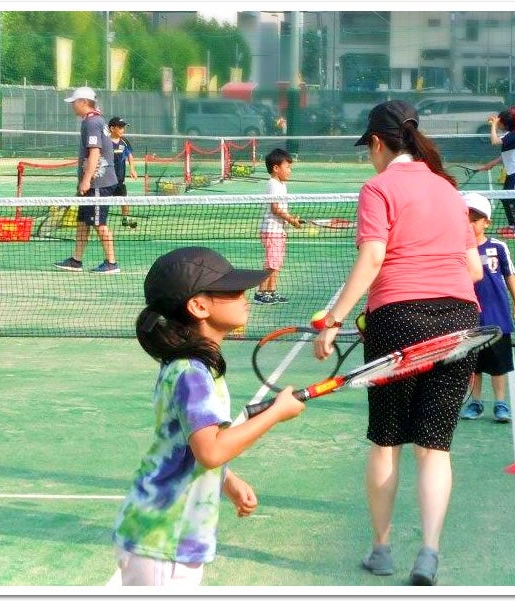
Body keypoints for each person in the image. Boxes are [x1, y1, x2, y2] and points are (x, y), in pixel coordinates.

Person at [313, 100, 484, 586]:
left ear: (376, 143)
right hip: (459, 319)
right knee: (434, 447)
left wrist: (333, 319)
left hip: (398, 319)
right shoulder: (449, 190)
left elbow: (373, 257)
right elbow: (473, 269)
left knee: (387, 441)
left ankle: (382, 550)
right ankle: (429, 553)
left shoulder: (378, 188)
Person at [109, 246, 305, 587]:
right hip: (163, 541)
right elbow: (210, 450)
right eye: (232, 290)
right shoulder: (192, 372)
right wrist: (275, 413)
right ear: (198, 306)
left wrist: (228, 479)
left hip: (168, 539)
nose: (244, 296)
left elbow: (188, 443)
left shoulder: (195, 367)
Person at [459, 194, 515, 423]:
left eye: (475, 220)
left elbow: (509, 274)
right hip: (469, 316)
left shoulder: (498, 247)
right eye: (466, 219)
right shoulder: (457, 249)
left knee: (498, 365)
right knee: (473, 364)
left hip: (497, 315)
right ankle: (475, 402)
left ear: (487, 222)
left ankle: (500, 403)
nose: (470, 224)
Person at [54, 87, 120, 274]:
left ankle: (111, 263)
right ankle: (76, 260)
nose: (72, 106)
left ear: (83, 102)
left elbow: (95, 153)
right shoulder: (93, 120)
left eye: (74, 102)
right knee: (83, 222)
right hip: (93, 182)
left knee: (99, 223)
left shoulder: (92, 122)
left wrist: (86, 181)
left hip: (99, 183)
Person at [254, 148, 301, 305]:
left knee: (276, 262)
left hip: (278, 230)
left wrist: (290, 218)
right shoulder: (273, 184)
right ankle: (261, 293)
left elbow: (280, 208)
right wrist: (291, 219)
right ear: (276, 168)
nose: (290, 171)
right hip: (271, 230)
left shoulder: (281, 184)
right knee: (271, 263)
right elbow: (275, 208)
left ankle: (271, 291)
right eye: (287, 167)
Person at [475, 109, 515, 239]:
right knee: (504, 197)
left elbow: (494, 141)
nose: (497, 122)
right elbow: (506, 155)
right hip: (512, 172)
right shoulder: (509, 136)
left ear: (504, 124)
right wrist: (492, 163)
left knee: (510, 199)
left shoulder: (512, 135)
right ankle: (511, 226)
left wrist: (493, 125)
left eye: (499, 121)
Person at [108, 116, 139, 229]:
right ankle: (98, 219)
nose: (123, 130)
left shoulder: (124, 141)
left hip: (120, 179)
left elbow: (129, 155)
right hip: (107, 179)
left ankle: (125, 218)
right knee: (102, 201)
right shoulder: (105, 141)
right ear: (112, 128)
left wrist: (132, 169)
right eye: (120, 127)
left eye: (123, 127)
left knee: (124, 199)